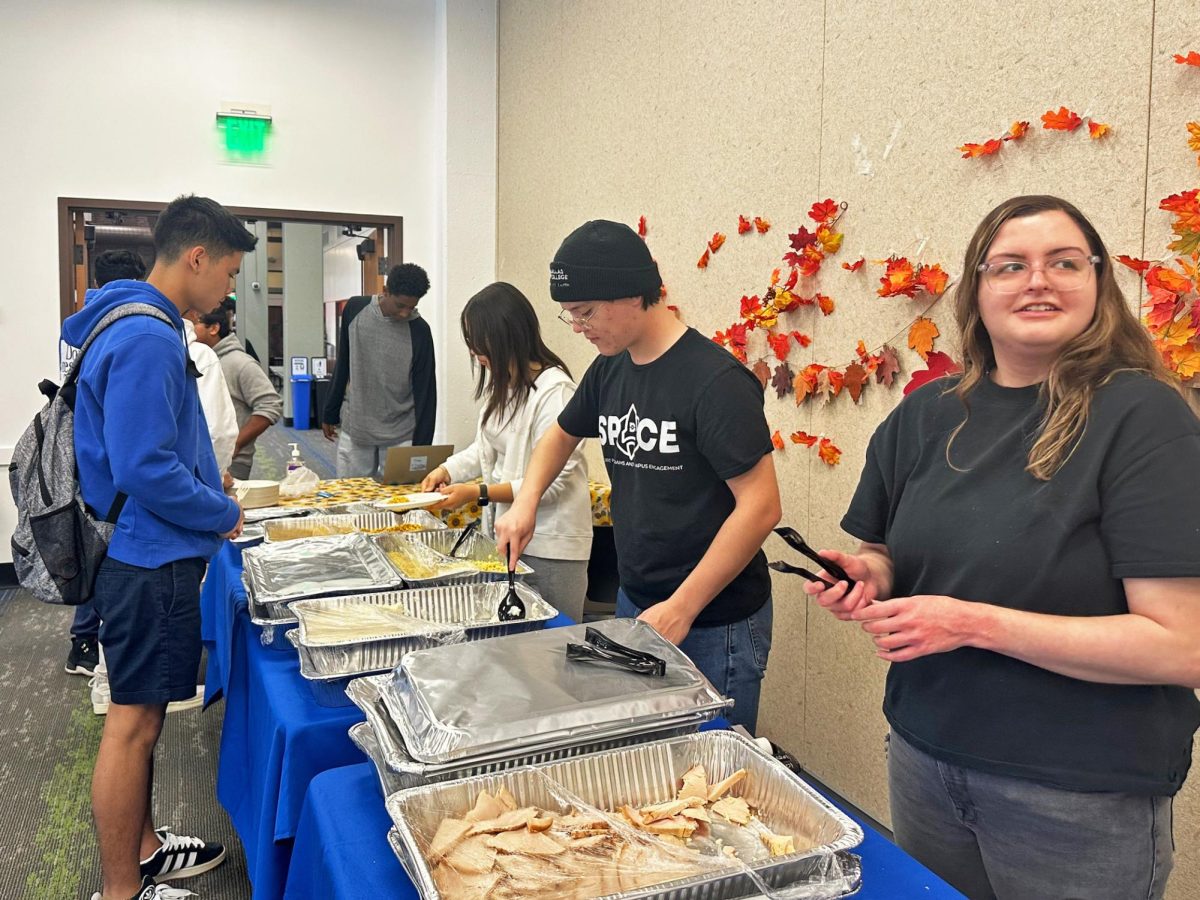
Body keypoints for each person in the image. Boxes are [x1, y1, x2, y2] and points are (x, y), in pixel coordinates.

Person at [805, 195, 1200, 899]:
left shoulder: (1142, 417)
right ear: (978, 290)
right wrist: (865, 575)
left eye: (1064, 263)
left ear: (1099, 283)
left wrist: (971, 623)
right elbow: (888, 555)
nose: (1037, 280)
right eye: (1010, 265)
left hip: (1076, 795)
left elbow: (1181, 646)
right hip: (926, 758)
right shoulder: (927, 412)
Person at [495, 220, 782, 732]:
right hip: (638, 597)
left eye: (586, 312)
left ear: (632, 294)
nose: (579, 328)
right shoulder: (610, 368)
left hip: (717, 616)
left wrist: (683, 606)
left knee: (711, 764)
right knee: (648, 756)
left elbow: (761, 507)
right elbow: (561, 435)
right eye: (570, 317)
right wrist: (525, 502)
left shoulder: (715, 381)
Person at [63, 194, 254, 900]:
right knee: (133, 725)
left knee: (140, 720)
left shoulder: (127, 316)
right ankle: (124, 890)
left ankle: (142, 851)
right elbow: (144, 465)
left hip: (144, 552)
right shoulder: (147, 335)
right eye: (230, 273)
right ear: (196, 257)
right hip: (148, 557)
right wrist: (220, 510)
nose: (228, 289)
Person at [421, 283, 593, 622]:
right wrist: (447, 470)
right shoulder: (504, 386)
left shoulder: (555, 391)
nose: (474, 353)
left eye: (479, 343)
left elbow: (549, 482)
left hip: (551, 543)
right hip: (507, 534)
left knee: (552, 644)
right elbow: (484, 449)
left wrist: (477, 492)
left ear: (506, 336)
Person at [63, 251, 147, 678]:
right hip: (114, 469)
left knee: (88, 543)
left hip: (78, 455)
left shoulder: (81, 326)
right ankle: (99, 654)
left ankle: (82, 642)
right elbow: (137, 453)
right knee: (110, 549)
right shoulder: (131, 329)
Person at [321, 263, 436, 478]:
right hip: (357, 427)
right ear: (385, 291)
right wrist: (330, 411)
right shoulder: (355, 310)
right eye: (400, 305)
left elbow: (426, 391)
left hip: (401, 433)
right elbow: (344, 363)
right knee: (352, 501)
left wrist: (422, 447)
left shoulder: (419, 330)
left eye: (411, 307)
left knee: (398, 503)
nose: (404, 313)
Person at [190, 298, 283, 480]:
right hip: (207, 457)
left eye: (197, 323)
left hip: (232, 462)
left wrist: (236, 444)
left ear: (214, 328)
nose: (191, 328)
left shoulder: (240, 363)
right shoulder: (202, 359)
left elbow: (271, 405)